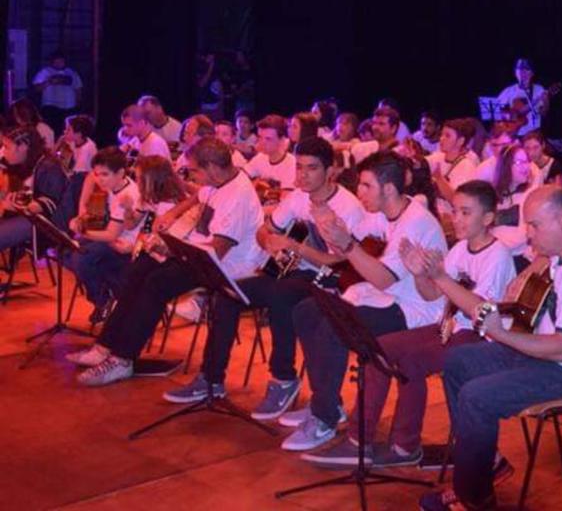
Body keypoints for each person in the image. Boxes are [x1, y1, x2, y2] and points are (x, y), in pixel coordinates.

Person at [417, 186, 562, 511]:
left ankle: (473, 499)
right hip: (552, 357)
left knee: (477, 397)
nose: (528, 235)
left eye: (534, 225)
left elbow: (561, 349)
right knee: (459, 360)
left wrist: (499, 334)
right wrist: (533, 268)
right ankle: (486, 465)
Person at [302, 180, 516, 468]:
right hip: (449, 327)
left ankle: (405, 445)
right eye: (455, 211)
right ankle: (358, 440)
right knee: (377, 350)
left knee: (411, 361)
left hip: (480, 337)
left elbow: (481, 314)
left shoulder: (498, 255)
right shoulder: (461, 249)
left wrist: (440, 277)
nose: (456, 218)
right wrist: (419, 274)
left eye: (466, 213)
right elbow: (431, 295)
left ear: (488, 219)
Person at [162, 137, 366, 420]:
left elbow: (344, 262)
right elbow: (264, 229)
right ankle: (212, 378)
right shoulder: (298, 196)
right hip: (291, 272)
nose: (302, 175)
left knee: (281, 296)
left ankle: (284, 379)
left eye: (311, 168)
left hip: (329, 280)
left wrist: (295, 247)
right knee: (227, 294)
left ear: (330, 171)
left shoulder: (348, 206)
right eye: (298, 167)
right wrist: (268, 240)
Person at [279, 151, 448, 451]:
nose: (360, 193)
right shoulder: (385, 211)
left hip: (416, 310)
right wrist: (328, 222)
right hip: (389, 297)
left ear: (389, 189)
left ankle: (324, 418)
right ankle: (327, 402)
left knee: (334, 326)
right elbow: (347, 241)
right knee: (306, 310)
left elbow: (382, 277)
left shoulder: (416, 223)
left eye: (367, 186)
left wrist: (347, 244)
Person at [66, 137, 266, 386]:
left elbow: (216, 252)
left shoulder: (237, 198)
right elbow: (198, 196)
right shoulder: (220, 179)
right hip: (201, 253)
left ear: (212, 168)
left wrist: (172, 249)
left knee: (157, 283)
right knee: (139, 269)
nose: (190, 175)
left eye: (194, 170)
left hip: (226, 267)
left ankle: (123, 359)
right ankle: (106, 346)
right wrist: (173, 214)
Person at [66, 148, 141, 320]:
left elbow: (111, 236)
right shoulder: (114, 184)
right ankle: (107, 287)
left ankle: (102, 300)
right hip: (113, 240)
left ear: (121, 172)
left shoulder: (126, 195)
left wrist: (82, 231)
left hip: (124, 246)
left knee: (82, 259)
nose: (99, 179)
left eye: (104, 175)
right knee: (66, 252)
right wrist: (81, 210)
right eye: (97, 174)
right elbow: (89, 178)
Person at [0, 127, 67, 251]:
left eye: (7, 147)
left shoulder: (49, 167)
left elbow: (48, 204)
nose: (3, 152)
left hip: (46, 224)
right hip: (30, 218)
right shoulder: (32, 164)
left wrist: (14, 205)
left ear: (23, 147)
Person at [427, 118, 480, 215]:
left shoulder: (467, 166)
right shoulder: (438, 157)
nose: (441, 138)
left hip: (452, 219)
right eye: (442, 134)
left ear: (460, 141)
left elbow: (457, 200)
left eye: (447, 136)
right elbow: (422, 162)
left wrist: (439, 178)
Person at [496, 58, 551, 136]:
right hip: (514, 133)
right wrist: (511, 116)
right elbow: (496, 111)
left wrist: (546, 102)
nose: (522, 72)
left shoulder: (539, 90)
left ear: (532, 73)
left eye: (526, 69)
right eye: (519, 69)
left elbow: (543, 113)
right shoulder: (509, 91)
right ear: (515, 72)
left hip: (534, 134)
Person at [33, 51, 82, 133]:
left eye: (61, 61)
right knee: (52, 130)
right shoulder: (45, 72)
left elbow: (78, 88)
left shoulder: (71, 72)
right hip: (51, 107)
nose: (59, 63)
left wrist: (78, 103)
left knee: (68, 130)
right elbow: (36, 88)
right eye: (57, 61)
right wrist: (49, 82)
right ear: (52, 62)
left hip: (69, 107)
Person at [244, 114, 297, 189]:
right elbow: (242, 176)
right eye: (260, 137)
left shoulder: (291, 163)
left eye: (268, 139)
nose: (262, 142)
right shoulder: (261, 157)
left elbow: (286, 196)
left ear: (282, 140)